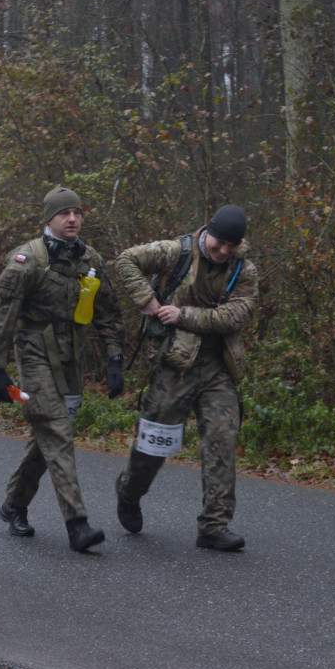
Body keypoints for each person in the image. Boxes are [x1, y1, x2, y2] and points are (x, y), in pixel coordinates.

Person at [0, 186, 126, 552]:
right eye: (65, 213)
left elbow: (108, 311)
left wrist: (114, 357)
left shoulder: (90, 259)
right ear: (49, 218)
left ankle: (13, 504)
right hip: (33, 355)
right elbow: (1, 318)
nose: (73, 219)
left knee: (47, 438)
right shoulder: (27, 260)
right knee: (57, 431)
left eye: (78, 213)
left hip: (72, 360)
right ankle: (77, 524)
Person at [113, 205, 258, 551]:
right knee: (153, 448)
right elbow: (124, 261)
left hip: (219, 368)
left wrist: (183, 315)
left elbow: (237, 315)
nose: (223, 252)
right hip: (174, 366)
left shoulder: (245, 269)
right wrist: (146, 300)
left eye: (231, 247)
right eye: (219, 244)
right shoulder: (174, 252)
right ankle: (129, 492)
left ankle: (214, 525)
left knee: (222, 442)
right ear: (207, 232)